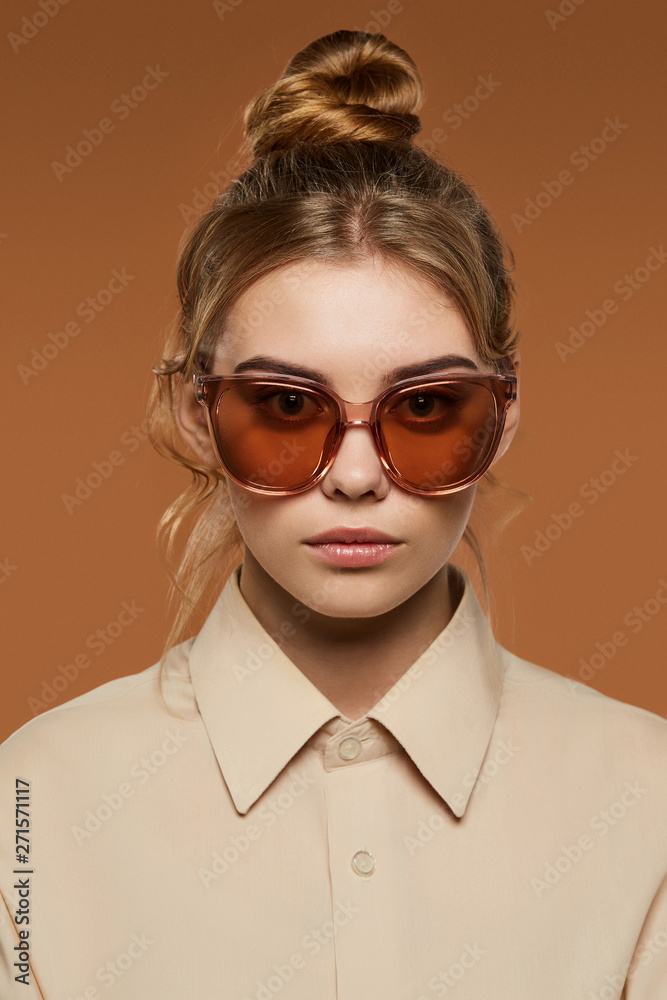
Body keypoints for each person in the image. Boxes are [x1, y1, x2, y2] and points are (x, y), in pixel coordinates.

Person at [1, 29, 665, 1000]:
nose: (355, 475)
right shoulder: (31, 803)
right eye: (285, 406)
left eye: (426, 408)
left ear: (503, 413)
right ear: (197, 410)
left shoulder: (645, 799)